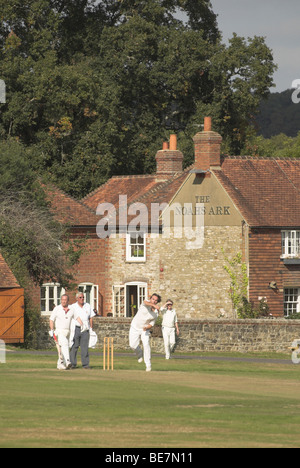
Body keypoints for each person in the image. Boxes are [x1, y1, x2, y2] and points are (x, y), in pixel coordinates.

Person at [49, 294, 83, 370]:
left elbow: (77, 317)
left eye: (65, 300)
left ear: (68, 301)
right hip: (59, 331)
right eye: (62, 300)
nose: (63, 301)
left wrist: (82, 325)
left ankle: (60, 364)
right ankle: (67, 361)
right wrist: (52, 330)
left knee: (62, 348)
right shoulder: (57, 309)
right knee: (65, 345)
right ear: (60, 300)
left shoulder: (71, 309)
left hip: (68, 331)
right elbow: (51, 320)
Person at [129, 293, 161, 372]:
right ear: (150, 299)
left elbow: (151, 324)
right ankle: (139, 353)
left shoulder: (155, 314)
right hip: (135, 327)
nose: (153, 301)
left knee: (146, 345)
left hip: (144, 330)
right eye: (153, 299)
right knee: (132, 345)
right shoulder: (146, 303)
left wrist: (146, 327)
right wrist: (153, 305)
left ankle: (148, 365)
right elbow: (146, 302)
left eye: (155, 300)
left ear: (157, 302)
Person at [70, 292, 96, 369]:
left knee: (84, 347)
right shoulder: (73, 307)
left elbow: (91, 318)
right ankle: (72, 364)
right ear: (77, 298)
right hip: (76, 328)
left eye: (83, 297)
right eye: (80, 297)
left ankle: (85, 364)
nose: (82, 299)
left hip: (85, 329)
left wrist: (91, 328)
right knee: (74, 346)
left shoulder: (87, 306)